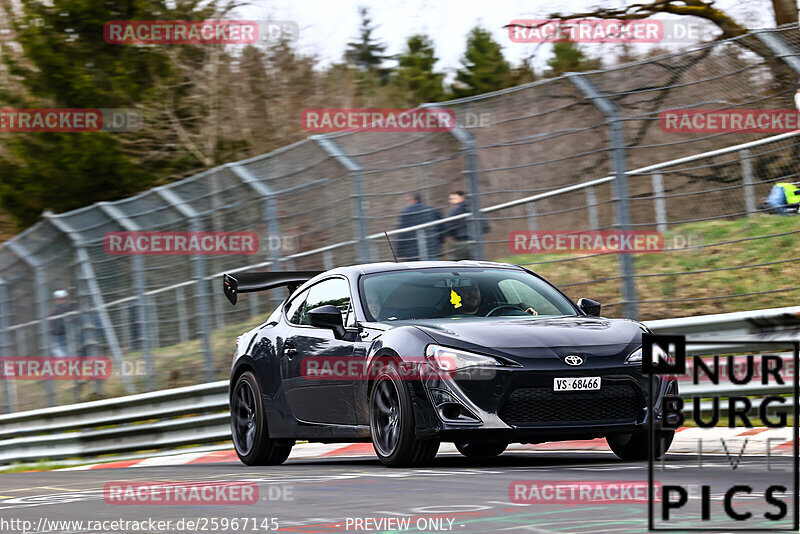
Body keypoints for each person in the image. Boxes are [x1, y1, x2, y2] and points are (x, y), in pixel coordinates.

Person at [442, 190, 489, 260]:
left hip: (461, 242)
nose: (450, 201)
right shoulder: (475, 208)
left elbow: (448, 226)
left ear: (462, 198)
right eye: (450, 199)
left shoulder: (454, 211)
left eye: (453, 199)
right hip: (476, 240)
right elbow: (485, 226)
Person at [394, 193, 442, 261]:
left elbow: (402, 234)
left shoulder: (406, 212)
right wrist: (439, 243)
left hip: (413, 252)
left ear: (412, 200)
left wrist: (400, 253)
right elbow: (441, 227)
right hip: (432, 249)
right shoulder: (431, 210)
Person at [49, 289, 74, 357]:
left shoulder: (67, 308)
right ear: (55, 300)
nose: (63, 301)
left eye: (64, 299)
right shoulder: (55, 310)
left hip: (67, 335)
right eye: (60, 299)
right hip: (57, 336)